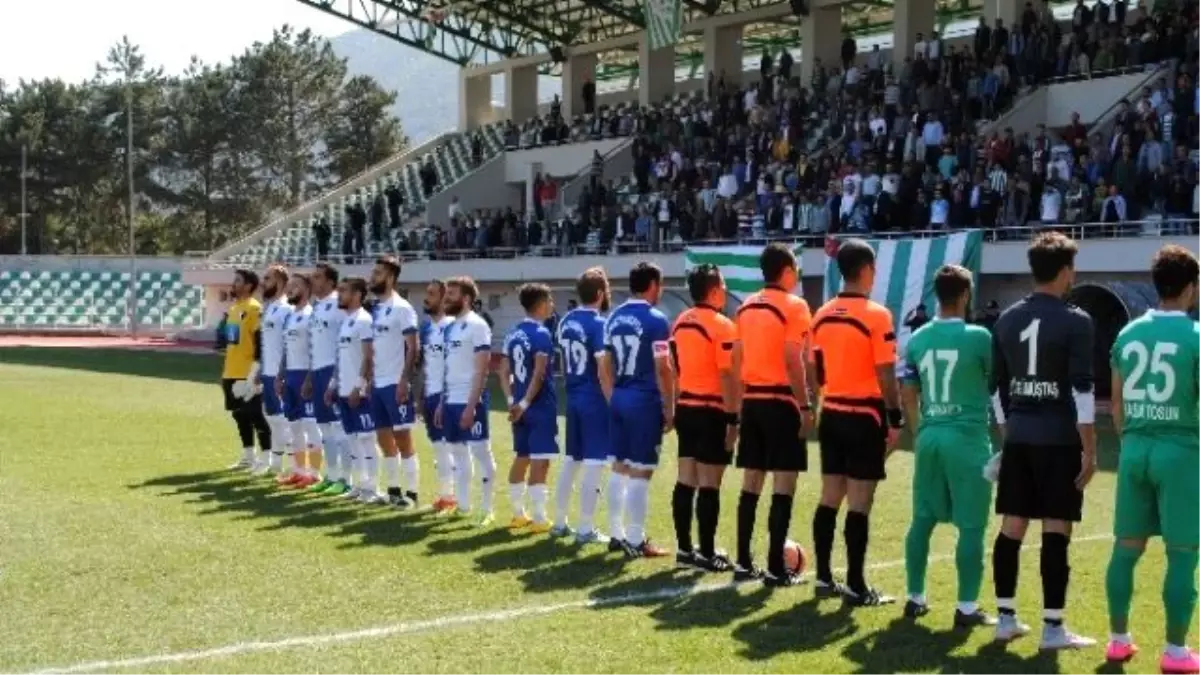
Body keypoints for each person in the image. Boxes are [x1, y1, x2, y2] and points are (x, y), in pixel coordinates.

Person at [990, 231, 1097, 649]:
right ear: (1067, 271)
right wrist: (1089, 447)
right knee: (1057, 528)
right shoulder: (1077, 320)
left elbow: (995, 389)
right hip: (1058, 442)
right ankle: (1053, 629)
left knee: (1012, 526)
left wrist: (1009, 434)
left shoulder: (1006, 318)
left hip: (1019, 437)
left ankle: (1005, 619)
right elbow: (1081, 390)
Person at [1104, 244, 1200, 672]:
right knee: (1182, 553)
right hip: (1180, 450)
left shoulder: (1127, 334)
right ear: (1192, 288)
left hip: (1135, 450)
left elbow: (1117, 404)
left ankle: (1119, 641)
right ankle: (1176, 652)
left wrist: (1133, 444)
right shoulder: (1196, 338)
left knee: (1125, 550)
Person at [900, 265, 997, 628]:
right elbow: (996, 386)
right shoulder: (979, 337)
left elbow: (908, 392)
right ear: (964, 295)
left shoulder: (918, 338)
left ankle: (915, 597)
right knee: (971, 526)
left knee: (922, 519)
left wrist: (920, 430)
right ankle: (967, 608)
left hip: (930, 435)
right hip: (967, 438)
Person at [810, 238, 901, 607]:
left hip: (832, 412)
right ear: (865, 270)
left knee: (830, 496)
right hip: (864, 415)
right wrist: (894, 416)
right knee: (860, 502)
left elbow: (815, 369)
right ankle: (856, 585)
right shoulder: (877, 315)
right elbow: (885, 371)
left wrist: (824, 398)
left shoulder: (821, 314)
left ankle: (822, 577)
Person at [733, 244, 813, 585]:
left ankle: (742, 561)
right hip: (781, 402)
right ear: (788, 270)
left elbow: (737, 358)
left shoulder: (747, 306)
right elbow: (793, 359)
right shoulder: (795, 306)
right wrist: (806, 405)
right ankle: (776, 568)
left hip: (752, 400)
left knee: (751, 483)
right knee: (784, 484)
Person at [600, 262, 675, 558]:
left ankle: (616, 534)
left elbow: (604, 365)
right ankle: (635, 539)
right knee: (642, 471)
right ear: (653, 285)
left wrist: (613, 397)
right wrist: (669, 406)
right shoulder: (656, 319)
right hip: (644, 402)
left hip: (620, 397)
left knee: (619, 466)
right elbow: (663, 366)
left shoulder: (613, 317)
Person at [671, 264, 741, 573]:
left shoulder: (680, 322)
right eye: (723, 287)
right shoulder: (722, 325)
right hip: (712, 410)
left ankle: (686, 549)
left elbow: (676, 368)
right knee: (710, 483)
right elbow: (726, 374)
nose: (725, 293)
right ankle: (708, 553)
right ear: (713, 291)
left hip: (686, 406)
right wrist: (733, 418)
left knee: (686, 479)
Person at [552, 267, 612, 544]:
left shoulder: (566, 320)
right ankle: (585, 529)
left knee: (570, 461)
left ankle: (559, 522)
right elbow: (602, 369)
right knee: (593, 463)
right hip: (593, 399)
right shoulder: (598, 323)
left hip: (573, 396)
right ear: (600, 293)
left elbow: (563, 363)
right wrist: (612, 401)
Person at [499, 283, 558, 533]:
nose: (552, 305)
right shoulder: (542, 334)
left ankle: (517, 514)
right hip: (539, 406)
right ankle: (539, 518)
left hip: (519, 406)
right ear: (542, 303)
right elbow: (540, 372)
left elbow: (502, 371)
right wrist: (524, 403)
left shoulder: (512, 332)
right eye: (550, 300)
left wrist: (512, 400)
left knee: (522, 457)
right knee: (540, 460)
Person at [438, 276, 498, 525]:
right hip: (451, 399)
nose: (446, 298)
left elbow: (482, 369)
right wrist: (443, 402)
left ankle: (487, 509)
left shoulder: (478, 325)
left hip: (470, 399)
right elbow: (448, 367)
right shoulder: (450, 327)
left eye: (451, 294)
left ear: (466, 299)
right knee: (458, 453)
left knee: (481, 452)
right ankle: (463, 506)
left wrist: (472, 405)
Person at [368, 256, 421, 509]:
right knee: (383, 439)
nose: (372, 277)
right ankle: (393, 491)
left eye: (377, 273)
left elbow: (413, 348)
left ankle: (412, 495)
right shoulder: (375, 309)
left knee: (403, 440)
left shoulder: (402, 308)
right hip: (377, 384)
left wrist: (404, 381)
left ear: (390, 277)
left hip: (395, 383)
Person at [326, 276, 383, 504]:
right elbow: (340, 359)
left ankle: (373, 487)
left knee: (367, 439)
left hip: (359, 393)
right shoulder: (345, 322)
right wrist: (332, 385)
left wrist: (359, 387)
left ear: (358, 295)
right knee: (352, 440)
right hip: (342, 391)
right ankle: (361, 485)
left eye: (344, 291)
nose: (339, 295)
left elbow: (369, 357)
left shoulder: (364, 321)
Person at [305, 263, 351, 496]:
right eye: (313, 277)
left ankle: (346, 479)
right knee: (324, 429)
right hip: (318, 372)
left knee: (339, 429)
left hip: (335, 371)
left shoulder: (337, 305)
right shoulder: (317, 307)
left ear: (331, 282)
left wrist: (336, 377)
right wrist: (311, 377)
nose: (313, 281)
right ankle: (331, 476)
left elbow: (345, 343)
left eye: (318, 277)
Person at [222, 269, 271, 470]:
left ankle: (267, 457)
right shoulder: (234, 308)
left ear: (249, 285)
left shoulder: (253, 308)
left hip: (246, 371)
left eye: (238, 281)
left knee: (255, 414)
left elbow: (260, 341)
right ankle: (248, 455)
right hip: (230, 371)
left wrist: (256, 369)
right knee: (238, 414)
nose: (234, 284)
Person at [277, 273, 321, 489]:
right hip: (290, 376)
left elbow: (316, 350)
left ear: (306, 289)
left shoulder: (311, 315)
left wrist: (311, 377)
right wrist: (280, 375)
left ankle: (314, 473)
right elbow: (286, 350)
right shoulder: (289, 316)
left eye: (295, 286)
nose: (289, 290)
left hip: (305, 375)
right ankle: (298, 471)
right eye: (289, 286)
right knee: (293, 426)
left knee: (310, 424)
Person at [419, 280, 457, 513]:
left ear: (444, 299)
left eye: (431, 294)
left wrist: (445, 397)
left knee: (450, 448)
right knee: (438, 448)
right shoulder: (427, 329)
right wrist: (421, 395)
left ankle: (452, 496)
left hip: (449, 396)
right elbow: (426, 365)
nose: (426, 298)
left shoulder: (452, 327)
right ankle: (445, 495)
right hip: (430, 395)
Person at [258, 265, 293, 477]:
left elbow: (289, 345)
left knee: (285, 420)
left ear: (280, 281)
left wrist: (283, 372)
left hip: (281, 375)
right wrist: (261, 369)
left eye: (268, 278)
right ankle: (276, 463)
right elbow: (267, 343)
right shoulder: (270, 308)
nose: (264, 282)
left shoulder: (288, 308)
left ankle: (293, 465)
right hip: (267, 372)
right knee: (271, 418)